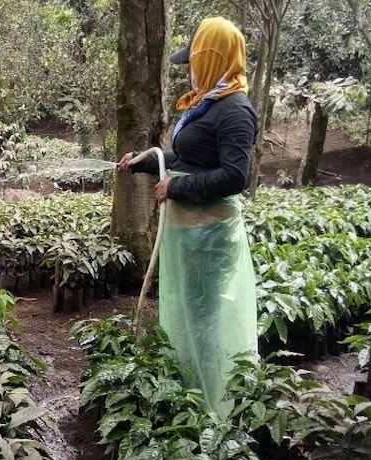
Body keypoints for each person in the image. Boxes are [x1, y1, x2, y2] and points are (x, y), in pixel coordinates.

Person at [117, 16, 258, 413]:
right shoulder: (208, 103)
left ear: (212, 58)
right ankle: (188, 395)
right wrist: (144, 162)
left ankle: (213, 407)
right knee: (188, 315)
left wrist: (176, 188)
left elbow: (235, 176)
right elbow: (185, 158)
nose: (190, 70)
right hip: (190, 235)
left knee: (207, 319)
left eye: (194, 60)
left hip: (210, 238)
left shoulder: (234, 109)